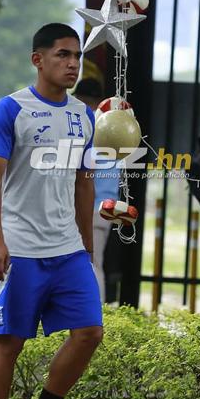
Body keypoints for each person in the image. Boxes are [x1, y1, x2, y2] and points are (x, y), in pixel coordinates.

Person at [0, 23, 101, 399]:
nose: (72, 64)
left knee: (89, 333)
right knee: (9, 343)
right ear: (37, 59)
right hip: (18, 248)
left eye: (77, 57)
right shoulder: (11, 109)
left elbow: (85, 183)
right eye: (63, 55)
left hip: (67, 249)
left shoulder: (84, 115)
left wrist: (87, 242)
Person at [73, 77, 117, 301]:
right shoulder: (111, 127)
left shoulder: (85, 127)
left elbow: (83, 177)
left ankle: (94, 316)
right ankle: (95, 315)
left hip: (90, 205)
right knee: (93, 262)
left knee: (89, 264)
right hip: (105, 206)